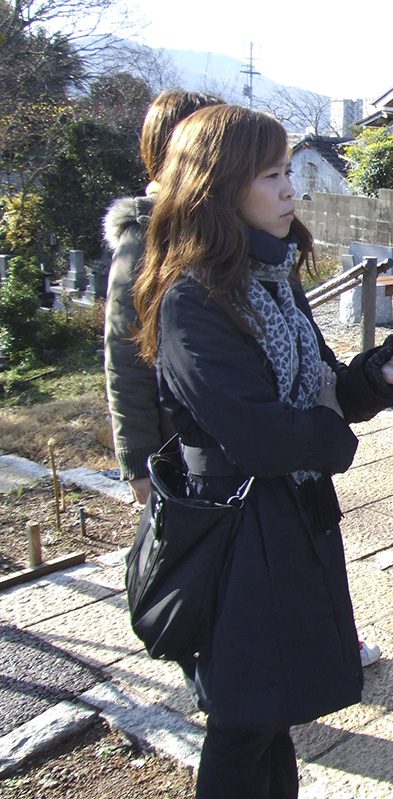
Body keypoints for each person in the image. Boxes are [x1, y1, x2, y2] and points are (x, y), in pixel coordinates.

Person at [132, 104, 393, 799]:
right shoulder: (192, 301)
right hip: (237, 537)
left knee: (269, 718)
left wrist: (382, 376)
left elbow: (321, 385)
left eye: (286, 173)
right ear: (217, 186)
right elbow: (262, 435)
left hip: (289, 521)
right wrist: (332, 425)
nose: (289, 190)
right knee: (244, 719)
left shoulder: (270, 278)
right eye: (271, 175)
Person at [104, 89, 224, 508]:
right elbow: (125, 349)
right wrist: (136, 459)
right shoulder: (144, 234)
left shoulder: (221, 221)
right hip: (171, 437)